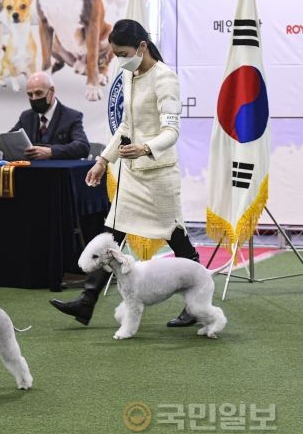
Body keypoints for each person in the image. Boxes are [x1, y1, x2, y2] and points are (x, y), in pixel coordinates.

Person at [49, 19, 200, 328]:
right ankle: (87, 302)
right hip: (131, 174)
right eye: (115, 53)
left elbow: (172, 131)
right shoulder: (129, 74)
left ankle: (196, 303)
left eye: (122, 52)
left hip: (159, 174)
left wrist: (145, 148)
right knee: (112, 234)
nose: (118, 59)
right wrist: (103, 160)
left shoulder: (165, 79)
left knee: (177, 238)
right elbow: (125, 127)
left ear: (142, 47)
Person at [9, 71, 90, 160]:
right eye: (30, 95)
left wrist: (51, 152)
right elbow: (8, 139)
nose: (34, 98)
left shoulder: (72, 117)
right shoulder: (26, 117)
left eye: (38, 93)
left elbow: (83, 147)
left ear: (52, 91)